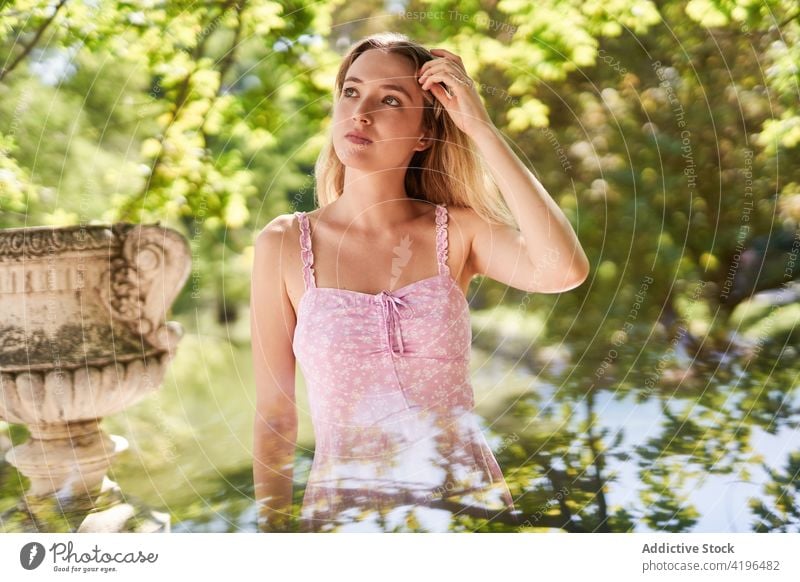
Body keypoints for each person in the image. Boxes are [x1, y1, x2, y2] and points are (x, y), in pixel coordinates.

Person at [251, 32, 589, 532]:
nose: (360, 112)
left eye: (390, 99)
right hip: (347, 518)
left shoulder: (459, 231)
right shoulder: (283, 243)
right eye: (351, 91)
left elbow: (563, 269)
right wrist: (274, 538)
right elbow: (276, 416)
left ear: (426, 132)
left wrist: (480, 128)